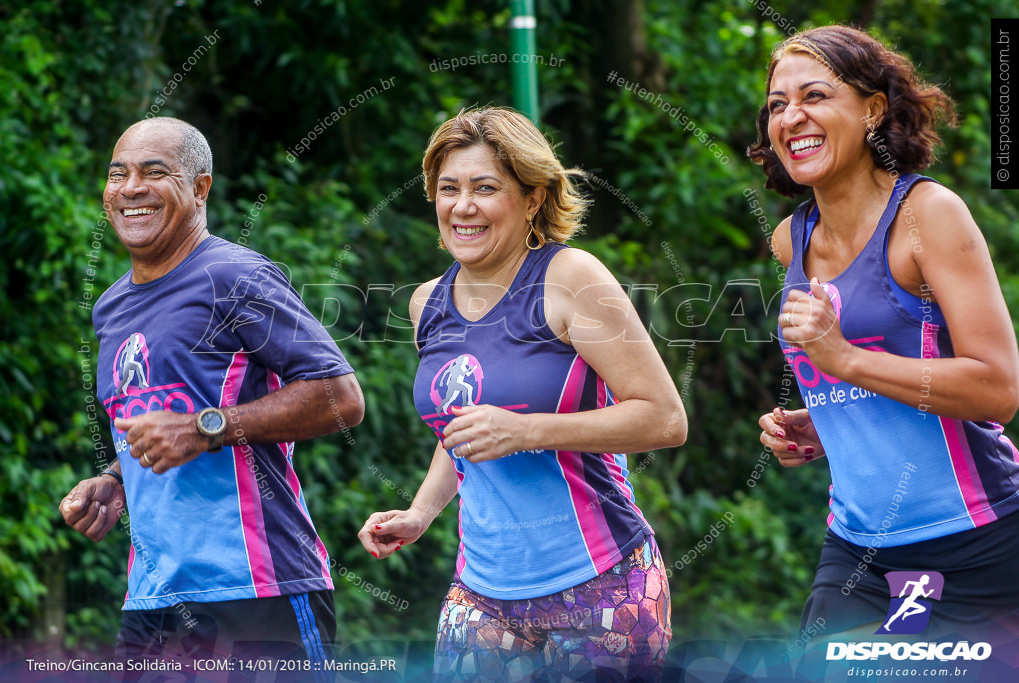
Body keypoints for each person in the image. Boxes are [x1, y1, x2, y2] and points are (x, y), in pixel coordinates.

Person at [357, 107, 686, 681]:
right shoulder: (425, 304)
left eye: (486, 188)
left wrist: (528, 430)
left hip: (601, 583)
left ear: (533, 198)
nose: (463, 206)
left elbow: (663, 419)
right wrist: (419, 512)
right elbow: (461, 430)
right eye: (449, 189)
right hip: (480, 593)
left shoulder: (570, 277)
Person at [58, 117, 364, 676]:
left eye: (155, 173)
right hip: (152, 600)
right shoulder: (110, 307)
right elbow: (157, 429)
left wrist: (205, 427)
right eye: (117, 174)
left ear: (200, 188)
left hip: (257, 590)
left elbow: (340, 397)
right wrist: (116, 480)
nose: (130, 188)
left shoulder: (236, 276)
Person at [749, 25, 1019, 641]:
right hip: (859, 550)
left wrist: (844, 361)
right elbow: (879, 377)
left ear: (872, 110)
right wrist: (825, 421)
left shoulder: (927, 215)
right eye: (777, 105)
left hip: (978, 542)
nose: (792, 117)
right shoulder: (789, 239)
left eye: (815, 96)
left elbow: (997, 388)